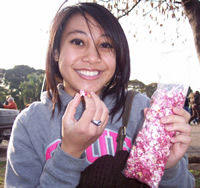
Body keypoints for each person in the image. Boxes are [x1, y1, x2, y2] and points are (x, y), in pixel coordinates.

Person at [5, 2, 195, 188]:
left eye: (105, 45)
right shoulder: (30, 123)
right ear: (56, 52)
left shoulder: (141, 110)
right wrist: (69, 152)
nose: (93, 57)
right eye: (78, 42)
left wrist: (168, 167)